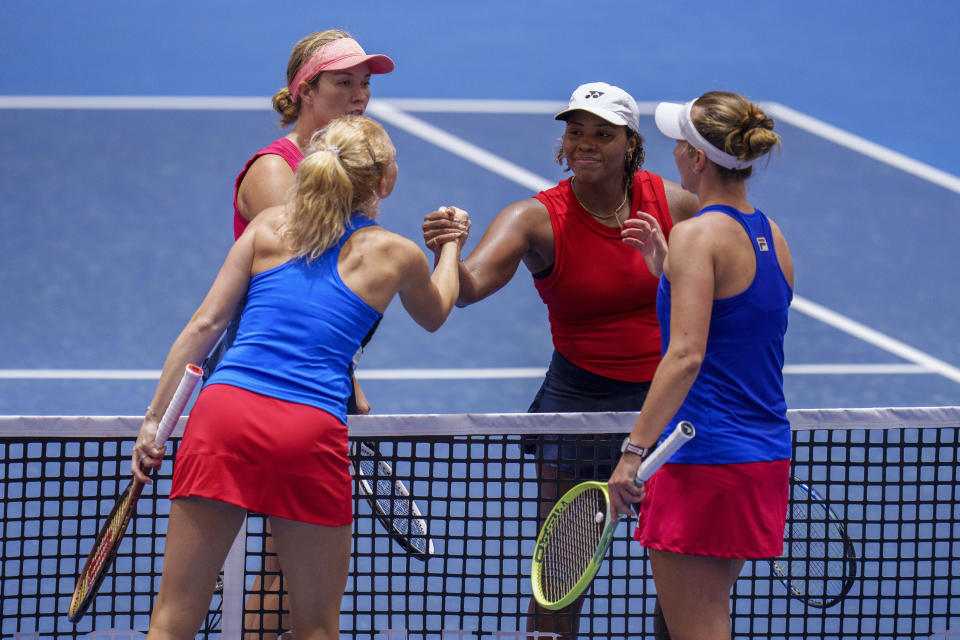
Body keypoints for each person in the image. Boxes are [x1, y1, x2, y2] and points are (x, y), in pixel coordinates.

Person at [132, 115, 469, 640]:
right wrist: (449, 246)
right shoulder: (397, 254)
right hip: (306, 429)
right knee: (314, 627)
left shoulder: (267, 226)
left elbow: (205, 325)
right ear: (384, 182)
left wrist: (154, 421)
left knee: (173, 619)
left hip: (222, 416)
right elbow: (437, 311)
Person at [422, 81, 698, 639]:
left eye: (603, 133)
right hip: (578, 405)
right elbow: (469, 286)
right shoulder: (535, 218)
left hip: (667, 400)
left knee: (680, 564)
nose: (585, 143)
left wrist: (666, 269)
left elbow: (722, 289)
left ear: (630, 143)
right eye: (576, 132)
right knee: (564, 567)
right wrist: (448, 247)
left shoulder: (675, 204)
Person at [208, 30, 394, 637]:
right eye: (344, 82)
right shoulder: (274, 172)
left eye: (365, 83)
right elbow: (306, 284)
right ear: (305, 90)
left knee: (282, 565)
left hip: (312, 381)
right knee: (273, 564)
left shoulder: (348, 169)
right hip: (262, 382)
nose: (360, 95)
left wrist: (347, 375)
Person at [607, 91, 792, 640]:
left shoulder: (697, 236)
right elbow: (744, 323)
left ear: (697, 159)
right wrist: (670, 270)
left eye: (679, 145)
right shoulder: (770, 235)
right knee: (707, 612)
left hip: (699, 457)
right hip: (760, 455)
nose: (674, 155)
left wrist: (632, 453)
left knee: (698, 626)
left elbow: (686, 356)